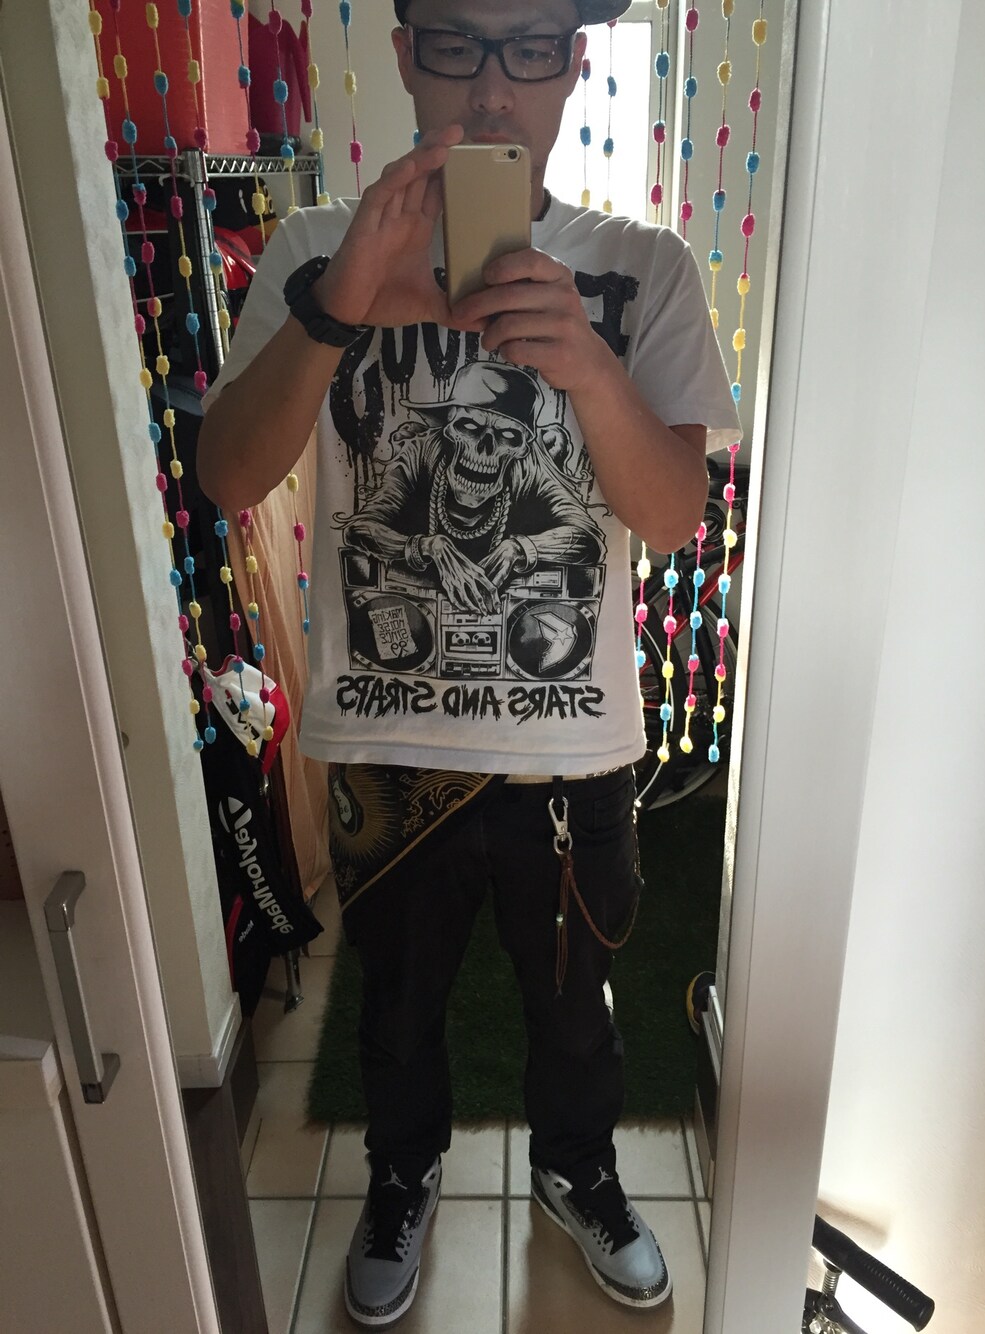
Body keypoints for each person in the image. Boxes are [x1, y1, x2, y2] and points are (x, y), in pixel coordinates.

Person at [199, 0, 741, 1325]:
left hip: (573, 749)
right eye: (456, 43)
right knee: (395, 1009)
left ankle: (579, 1170)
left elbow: (675, 517)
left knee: (575, 1011)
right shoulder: (316, 253)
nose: (492, 89)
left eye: (529, 47)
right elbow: (228, 474)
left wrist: (589, 369)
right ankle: (402, 1173)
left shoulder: (643, 268)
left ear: (573, 65)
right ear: (403, 54)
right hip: (386, 743)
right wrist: (337, 311)